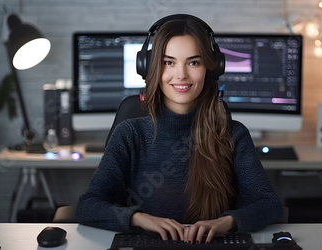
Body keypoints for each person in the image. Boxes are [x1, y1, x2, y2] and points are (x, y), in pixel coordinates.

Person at [76, 14, 283, 244]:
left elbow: (269, 205)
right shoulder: (130, 134)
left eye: (193, 62)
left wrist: (226, 222)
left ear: (211, 69)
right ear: (151, 67)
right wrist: (139, 219)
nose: (181, 74)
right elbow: (88, 206)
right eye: (169, 62)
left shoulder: (233, 134)